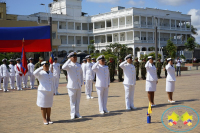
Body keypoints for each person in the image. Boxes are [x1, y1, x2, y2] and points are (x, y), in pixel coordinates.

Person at [62, 52, 83, 119]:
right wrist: (69, 60)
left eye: (76, 57)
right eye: (73, 57)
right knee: (72, 100)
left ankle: (77, 113)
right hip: (71, 86)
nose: (75, 58)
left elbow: (81, 74)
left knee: (78, 100)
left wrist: (81, 82)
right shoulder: (68, 65)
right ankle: (72, 113)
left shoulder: (79, 65)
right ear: (70, 58)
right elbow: (63, 67)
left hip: (78, 85)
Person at [33, 61, 54, 125]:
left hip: (50, 91)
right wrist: (41, 68)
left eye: (48, 66)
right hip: (42, 91)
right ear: (42, 66)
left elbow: (53, 82)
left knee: (49, 106)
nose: (47, 67)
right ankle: (44, 118)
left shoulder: (50, 72)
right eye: (45, 66)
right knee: (43, 106)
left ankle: (49, 118)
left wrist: (54, 90)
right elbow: (34, 73)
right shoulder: (40, 73)